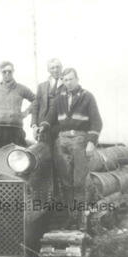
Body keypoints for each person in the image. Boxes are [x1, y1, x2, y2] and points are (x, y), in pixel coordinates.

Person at [39, 68, 103, 230]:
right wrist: (43, 126)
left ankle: (81, 220)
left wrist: (91, 142)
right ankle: (71, 217)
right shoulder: (59, 98)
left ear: (77, 79)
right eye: (65, 80)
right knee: (66, 183)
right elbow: (50, 116)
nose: (68, 82)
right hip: (62, 142)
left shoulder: (87, 96)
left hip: (80, 141)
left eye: (71, 79)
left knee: (79, 182)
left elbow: (97, 123)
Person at [0, 61, 35, 149]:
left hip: (16, 129)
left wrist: (26, 113)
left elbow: (36, 100)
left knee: (20, 156)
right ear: (1, 72)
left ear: (13, 71)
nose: (7, 74)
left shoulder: (22, 88)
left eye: (9, 71)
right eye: (4, 72)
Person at [31, 58, 63, 139]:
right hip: (43, 127)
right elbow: (35, 106)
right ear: (48, 70)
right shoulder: (41, 86)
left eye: (57, 67)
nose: (55, 70)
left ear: (61, 68)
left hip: (61, 126)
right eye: (52, 68)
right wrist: (34, 125)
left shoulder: (67, 84)